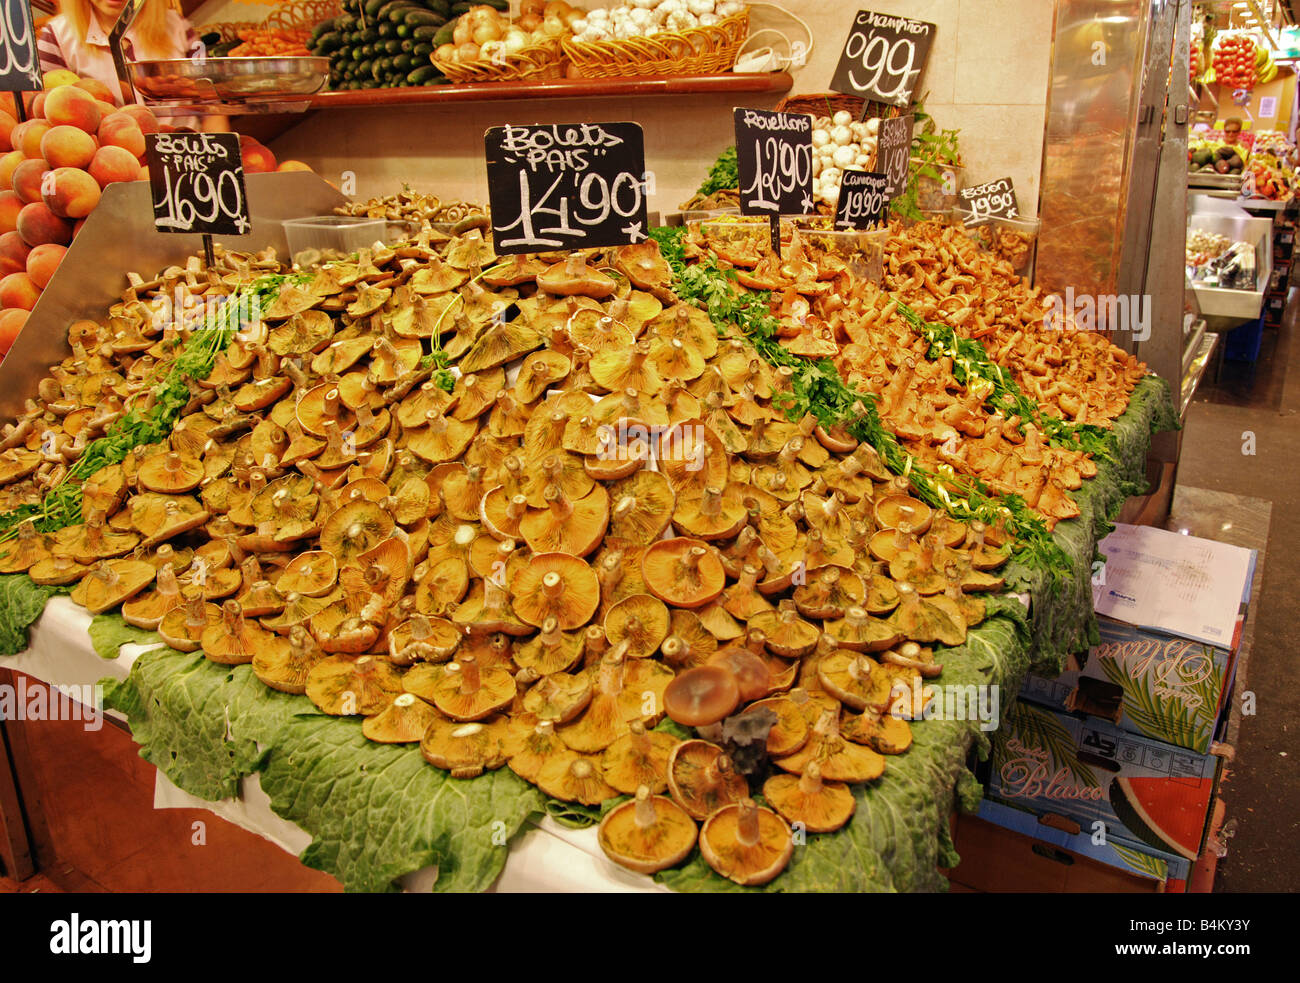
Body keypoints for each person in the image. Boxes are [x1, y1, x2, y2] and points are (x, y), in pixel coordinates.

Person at [38, 0, 222, 131]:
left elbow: (211, 104)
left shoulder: (177, 26)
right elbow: (54, 117)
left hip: (189, 158)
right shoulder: (57, 37)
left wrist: (218, 161)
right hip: (115, 166)